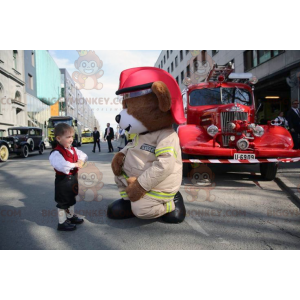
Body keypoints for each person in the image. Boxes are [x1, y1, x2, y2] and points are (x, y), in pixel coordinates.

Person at [49, 123, 88, 231]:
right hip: (63, 181)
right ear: (58, 138)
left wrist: (80, 160)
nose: (71, 139)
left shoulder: (73, 149)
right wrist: (75, 164)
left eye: (72, 136)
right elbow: (61, 165)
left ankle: (70, 216)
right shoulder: (56, 153)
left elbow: (83, 155)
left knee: (71, 198)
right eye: (68, 137)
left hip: (73, 178)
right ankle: (62, 223)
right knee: (63, 202)